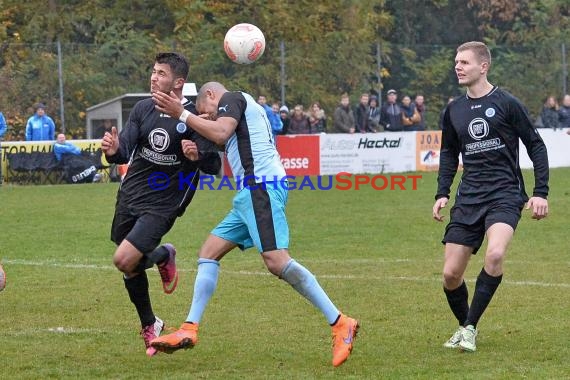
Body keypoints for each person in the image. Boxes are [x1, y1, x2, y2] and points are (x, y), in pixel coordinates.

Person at [149, 81, 359, 367]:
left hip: (260, 186)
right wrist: (198, 152)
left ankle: (340, 322)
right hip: (250, 192)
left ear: (212, 95)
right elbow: (222, 143)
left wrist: (183, 114)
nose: (208, 117)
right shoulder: (246, 111)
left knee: (276, 260)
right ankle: (190, 328)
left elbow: (221, 130)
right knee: (208, 252)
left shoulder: (232, 98)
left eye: (206, 111)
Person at [100, 52, 221, 357]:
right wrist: (114, 150)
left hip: (164, 203)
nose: (154, 77)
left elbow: (213, 165)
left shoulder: (194, 118)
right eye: (153, 72)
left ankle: (149, 321)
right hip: (131, 194)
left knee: (123, 259)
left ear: (178, 82)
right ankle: (161, 262)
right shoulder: (143, 108)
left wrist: (198, 156)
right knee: (129, 262)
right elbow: (125, 151)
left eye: (162, 73)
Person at [433, 41, 549, 353]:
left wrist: (540, 192)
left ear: (483, 66)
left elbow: (535, 145)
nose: (458, 67)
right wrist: (442, 192)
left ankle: (469, 327)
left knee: (495, 255)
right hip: (469, 197)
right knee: (450, 275)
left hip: (505, 193)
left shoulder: (507, 103)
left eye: (464, 62)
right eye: (456, 62)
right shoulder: (453, 110)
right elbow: (448, 153)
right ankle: (465, 325)